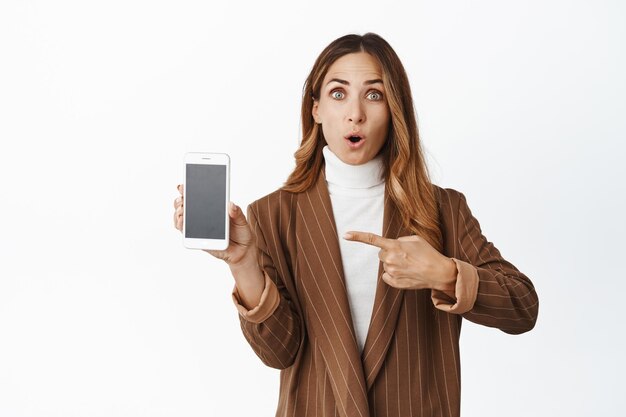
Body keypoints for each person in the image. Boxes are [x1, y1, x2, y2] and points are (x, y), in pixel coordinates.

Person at [172, 32, 538, 417]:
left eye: (374, 95)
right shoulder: (272, 214)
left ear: (395, 109)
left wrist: (444, 273)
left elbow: (523, 306)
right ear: (315, 109)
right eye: (338, 93)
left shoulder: (443, 208)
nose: (356, 113)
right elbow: (278, 352)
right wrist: (242, 262)